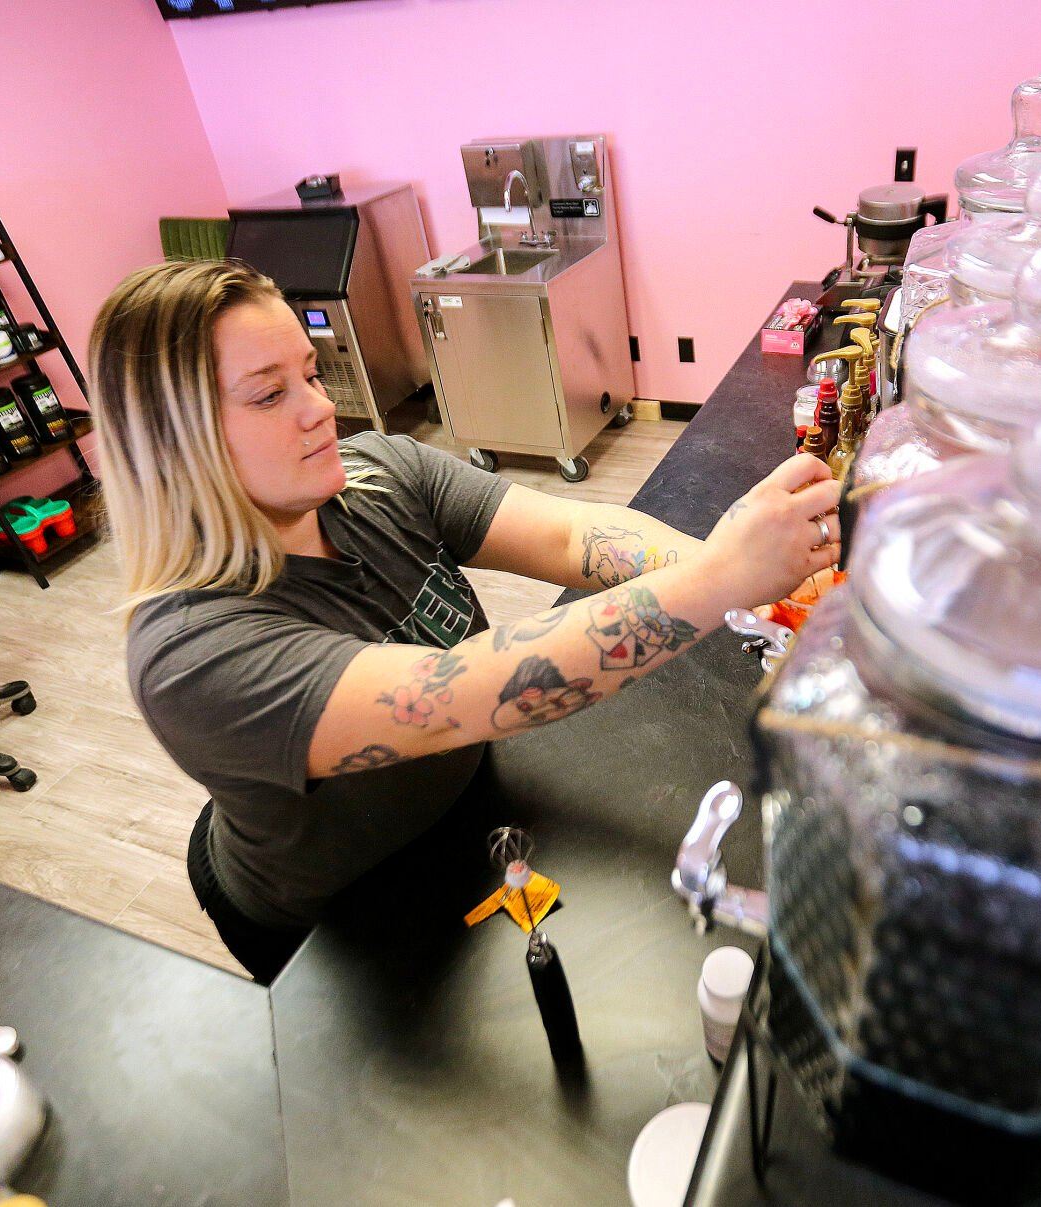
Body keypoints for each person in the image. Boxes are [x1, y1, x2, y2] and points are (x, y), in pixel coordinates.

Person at [89, 260, 842, 981]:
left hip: (461, 811)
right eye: (267, 394)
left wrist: (762, 582)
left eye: (311, 374)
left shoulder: (377, 473)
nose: (320, 407)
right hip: (339, 914)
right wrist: (723, 576)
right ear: (171, 442)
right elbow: (462, 692)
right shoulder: (190, 654)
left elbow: (569, 537)